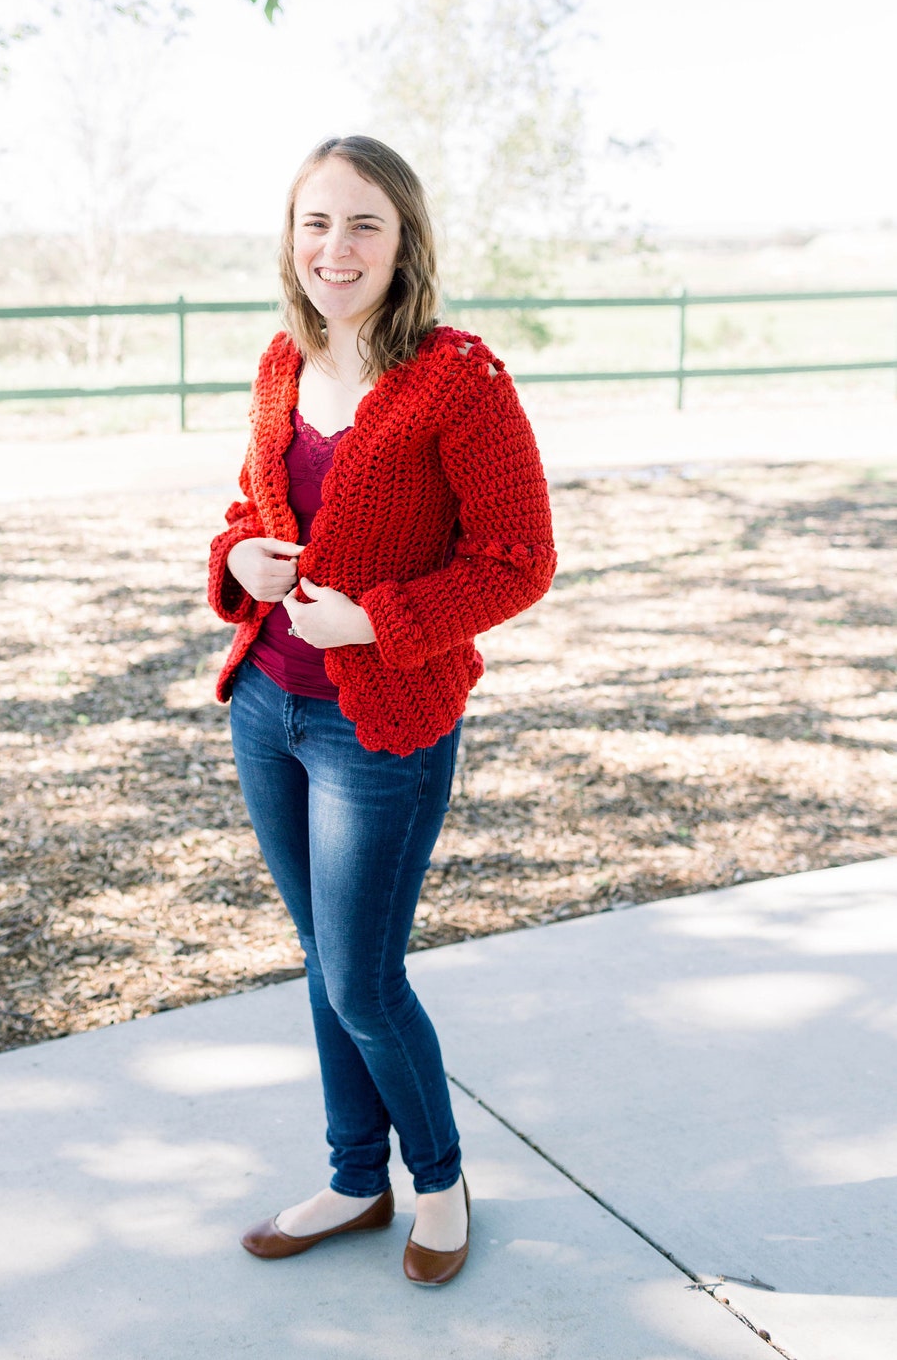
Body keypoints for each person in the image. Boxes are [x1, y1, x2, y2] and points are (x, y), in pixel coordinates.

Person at [208, 135, 556, 1285]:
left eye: (363, 224)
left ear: (404, 240)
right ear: (290, 239)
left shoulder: (460, 376)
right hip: (268, 709)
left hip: (381, 729)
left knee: (363, 978)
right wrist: (240, 558)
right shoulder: (279, 365)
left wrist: (377, 623)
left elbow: (518, 560)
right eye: (316, 223)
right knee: (322, 959)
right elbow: (248, 507)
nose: (335, 248)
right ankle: (356, 1180)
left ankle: (441, 1180)